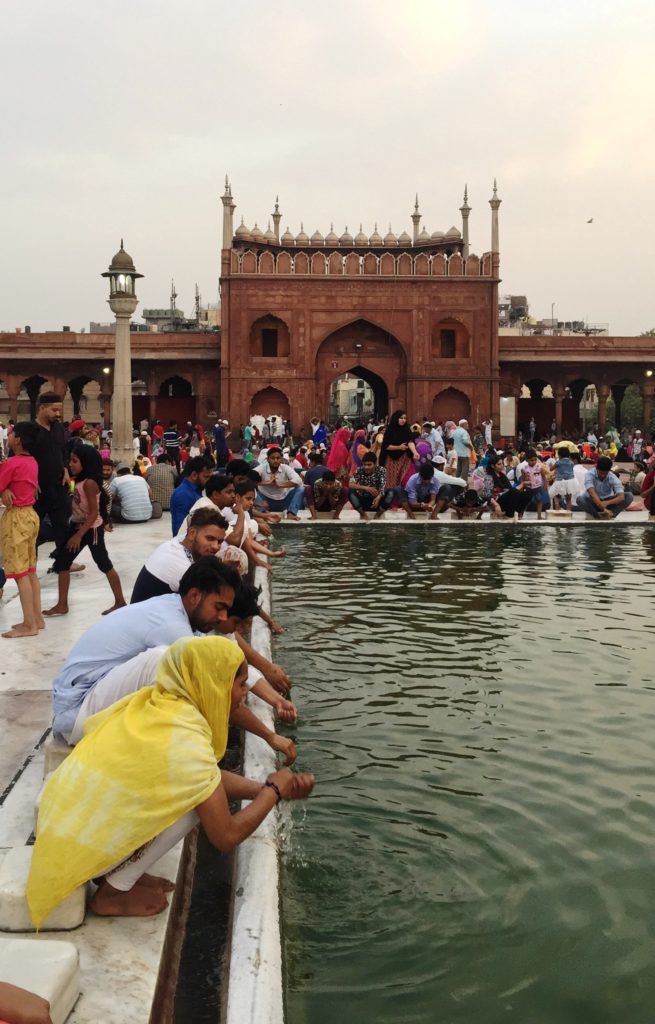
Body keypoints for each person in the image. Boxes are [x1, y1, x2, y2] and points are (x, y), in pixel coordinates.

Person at [28, 636, 315, 926]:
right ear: (213, 683)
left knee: (197, 790)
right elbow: (225, 836)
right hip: (79, 840)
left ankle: (116, 872)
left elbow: (209, 778)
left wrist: (263, 790)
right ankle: (112, 894)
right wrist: (274, 791)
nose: (243, 695)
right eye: (240, 684)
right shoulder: (185, 738)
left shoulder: (166, 704)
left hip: (70, 824)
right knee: (193, 803)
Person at [51, 557, 241, 744]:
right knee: (166, 661)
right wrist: (267, 734)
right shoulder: (172, 626)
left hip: (91, 696)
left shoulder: (175, 607)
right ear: (194, 596)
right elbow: (211, 683)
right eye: (219, 607)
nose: (224, 617)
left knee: (186, 662)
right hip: (76, 714)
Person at [44, 445, 127, 618]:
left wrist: (78, 535)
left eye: (75, 461)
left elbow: (94, 513)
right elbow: (76, 498)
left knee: (103, 562)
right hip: (78, 526)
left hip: (92, 528)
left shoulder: (90, 483)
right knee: (62, 562)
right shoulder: (80, 480)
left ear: (86, 463)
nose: (71, 464)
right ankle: (62, 604)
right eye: (70, 460)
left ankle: (120, 601)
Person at [131, 507, 228, 603]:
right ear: (192, 533)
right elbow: (213, 597)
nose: (216, 547)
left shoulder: (180, 541)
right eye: (210, 538)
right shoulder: (180, 565)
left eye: (220, 541)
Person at [0, 421, 43, 638]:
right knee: (31, 570)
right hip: (30, 515)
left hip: (16, 518)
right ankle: (37, 618)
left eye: (11, 433)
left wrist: (4, 488)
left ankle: (29, 625)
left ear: (18, 440)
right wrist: (7, 487)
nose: (8, 436)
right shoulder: (32, 461)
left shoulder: (12, 463)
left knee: (20, 574)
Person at [256, 446, 304, 521]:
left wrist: (279, 485)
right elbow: (248, 478)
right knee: (250, 487)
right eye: (273, 458)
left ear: (281, 459)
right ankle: (264, 513)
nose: (275, 461)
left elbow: (299, 481)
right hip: (265, 502)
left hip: (283, 501)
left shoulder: (285, 468)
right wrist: (266, 483)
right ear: (268, 459)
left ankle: (291, 513)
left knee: (301, 488)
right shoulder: (262, 468)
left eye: (278, 458)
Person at [169, 456, 214, 534]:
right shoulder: (184, 495)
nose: (209, 481)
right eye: (206, 477)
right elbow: (181, 530)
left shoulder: (194, 490)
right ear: (194, 475)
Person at [379, 411, 418, 500]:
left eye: (405, 418)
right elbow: (386, 446)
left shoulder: (407, 428)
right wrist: (399, 447)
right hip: (392, 459)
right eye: (401, 418)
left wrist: (415, 452)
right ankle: (392, 502)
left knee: (407, 479)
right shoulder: (390, 429)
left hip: (405, 458)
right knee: (392, 481)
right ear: (396, 418)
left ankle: (407, 501)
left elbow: (410, 441)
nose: (403, 420)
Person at [348, 451, 394, 520]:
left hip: (377, 501)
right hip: (363, 501)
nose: (366, 467)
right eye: (365, 464)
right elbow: (350, 484)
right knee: (350, 492)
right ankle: (363, 514)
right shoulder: (359, 470)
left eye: (369, 465)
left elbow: (383, 486)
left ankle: (378, 515)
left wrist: (378, 497)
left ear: (375, 464)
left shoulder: (381, 470)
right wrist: (366, 488)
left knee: (391, 492)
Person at [520, 449, 550, 519]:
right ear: (527, 460)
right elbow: (523, 478)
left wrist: (545, 485)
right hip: (528, 487)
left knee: (539, 501)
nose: (533, 462)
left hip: (538, 486)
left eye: (535, 460)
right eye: (531, 460)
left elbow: (544, 477)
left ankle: (539, 516)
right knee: (525, 501)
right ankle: (521, 514)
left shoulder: (539, 467)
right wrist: (522, 486)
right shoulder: (524, 468)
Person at [550, 445, 576, 511]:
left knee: (557, 495)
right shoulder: (571, 462)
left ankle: (557, 507)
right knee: (568, 499)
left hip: (560, 480)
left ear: (559, 455)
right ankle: (568, 511)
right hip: (569, 481)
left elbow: (551, 469)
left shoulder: (558, 462)